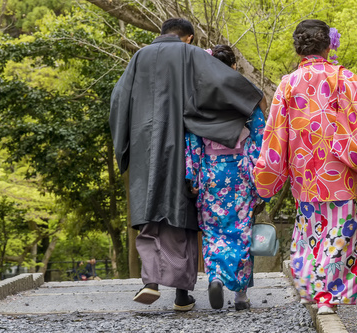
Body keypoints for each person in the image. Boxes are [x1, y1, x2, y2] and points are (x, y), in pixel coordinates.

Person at [109, 18, 264, 312]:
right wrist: (251, 99)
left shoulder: (139, 57)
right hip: (181, 143)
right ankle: (182, 295)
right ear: (189, 38)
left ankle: (151, 280)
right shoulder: (189, 54)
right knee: (182, 216)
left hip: (145, 145)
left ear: (162, 32)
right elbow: (221, 83)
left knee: (150, 211)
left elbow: (118, 99)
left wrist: (126, 145)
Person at [253, 19, 357, 315]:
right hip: (338, 167)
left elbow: (275, 132)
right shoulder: (342, 77)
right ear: (328, 44)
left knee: (310, 229)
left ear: (299, 47)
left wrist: (268, 173)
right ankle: (326, 298)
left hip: (303, 168)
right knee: (340, 230)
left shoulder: (288, 83)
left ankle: (311, 290)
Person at [185, 45, 266, 310]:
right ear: (233, 67)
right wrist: (259, 177)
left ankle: (216, 277)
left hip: (211, 172)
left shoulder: (200, 97)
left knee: (213, 232)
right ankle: (241, 295)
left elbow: (193, 139)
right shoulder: (246, 95)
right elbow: (258, 135)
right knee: (242, 231)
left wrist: (192, 175)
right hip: (240, 171)